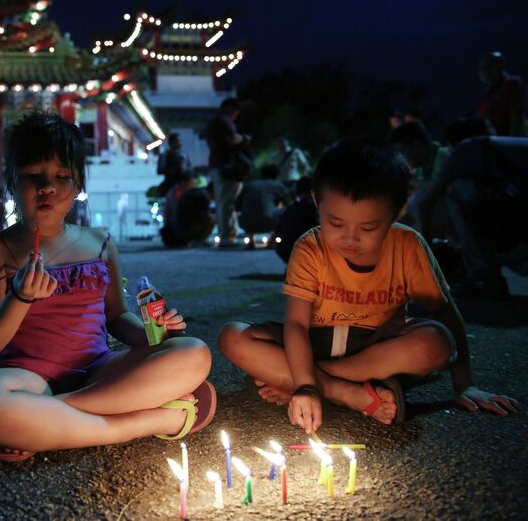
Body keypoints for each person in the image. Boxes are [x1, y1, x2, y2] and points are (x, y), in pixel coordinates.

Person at [0, 112, 215, 462]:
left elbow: (117, 316)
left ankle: (44, 417)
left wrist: (156, 336)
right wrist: (20, 298)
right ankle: (152, 420)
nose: (48, 187)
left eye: (62, 177)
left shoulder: (99, 242)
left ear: (77, 187)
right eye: (34, 176)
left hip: (99, 370)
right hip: (23, 377)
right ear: (12, 182)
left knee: (194, 353)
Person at [218, 138, 519, 434]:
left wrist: (465, 384)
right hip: (314, 342)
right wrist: (307, 385)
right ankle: (345, 393)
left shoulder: (407, 246)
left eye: (369, 228)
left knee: (436, 342)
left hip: (375, 351)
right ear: (316, 201)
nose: (350, 239)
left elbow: (444, 311)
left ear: (397, 210)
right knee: (232, 336)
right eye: (335, 224)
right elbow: (295, 324)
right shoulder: (310, 247)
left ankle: (293, 378)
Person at [418, 136, 528, 298]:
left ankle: (483, 276)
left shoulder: (465, 149)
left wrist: (425, 254)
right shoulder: (501, 150)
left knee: (456, 189)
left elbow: (425, 204)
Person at [202, 98, 250, 247]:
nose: (236, 115)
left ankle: (229, 233)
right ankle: (228, 237)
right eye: (236, 112)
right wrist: (244, 139)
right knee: (226, 202)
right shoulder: (224, 121)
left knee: (223, 201)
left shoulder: (213, 122)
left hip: (217, 165)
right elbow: (232, 140)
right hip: (226, 166)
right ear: (230, 108)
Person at [389, 122, 450, 234]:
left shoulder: (443, 155)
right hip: (441, 214)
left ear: (417, 145)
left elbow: (440, 186)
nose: (402, 157)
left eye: (403, 151)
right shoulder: (420, 168)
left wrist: (410, 179)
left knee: (416, 198)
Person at [237, 164, 289, 248]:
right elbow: (288, 204)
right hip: (268, 221)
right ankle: (273, 240)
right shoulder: (277, 185)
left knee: (250, 210)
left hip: (246, 222)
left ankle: (250, 240)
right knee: (285, 211)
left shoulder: (249, 185)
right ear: (276, 175)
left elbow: (237, 204)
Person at [477, 52, 525, 136]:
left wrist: (512, 144)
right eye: (482, 68)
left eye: (490, 66)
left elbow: (517, 117)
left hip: (504, 143)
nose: (486, 71)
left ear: (501, 66)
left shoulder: (511, 84)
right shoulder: (487, 93)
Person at [273, 176, 318, 263]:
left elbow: (278, 229)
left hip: (288, 252)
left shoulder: (290, 209)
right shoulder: (316, 208)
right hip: (311, 252)